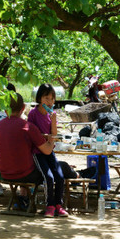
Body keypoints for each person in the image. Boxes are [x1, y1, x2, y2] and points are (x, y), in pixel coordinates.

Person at [0, 92, 60, 214]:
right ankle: (55, 203)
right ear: (23, 108)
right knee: (59, 168)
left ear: (5, 108)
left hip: (5, 174)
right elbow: (47, 150)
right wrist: (51, 140)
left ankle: (23, 198)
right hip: (26, 174)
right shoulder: (27, 127)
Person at [26, 83, 69, 217]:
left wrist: (54, 120)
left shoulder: (51, 115)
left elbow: (54, 134)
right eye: (46, 98)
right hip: (38, 152)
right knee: (48, 177)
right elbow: (32, 133)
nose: (49, 102)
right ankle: (49, 205)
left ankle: (58, 205)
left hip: (50, 150)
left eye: (52, 99)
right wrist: (45, 137)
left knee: (60, 176)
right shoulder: (33, 113)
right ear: (39, 98)